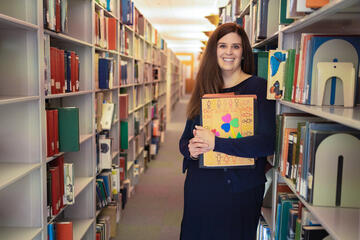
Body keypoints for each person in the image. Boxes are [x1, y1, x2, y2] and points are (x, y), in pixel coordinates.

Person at [179, 22, 276, 240]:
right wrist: (191, 150)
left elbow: (266, 143)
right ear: (214, 51)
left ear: (244, 53)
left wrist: (217, 143)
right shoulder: (204, 87)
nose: (229, 52)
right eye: (222, 46)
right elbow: (184, 140)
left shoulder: (259, 87)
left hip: (240, 192)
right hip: (201, 187)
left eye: (236, 47)